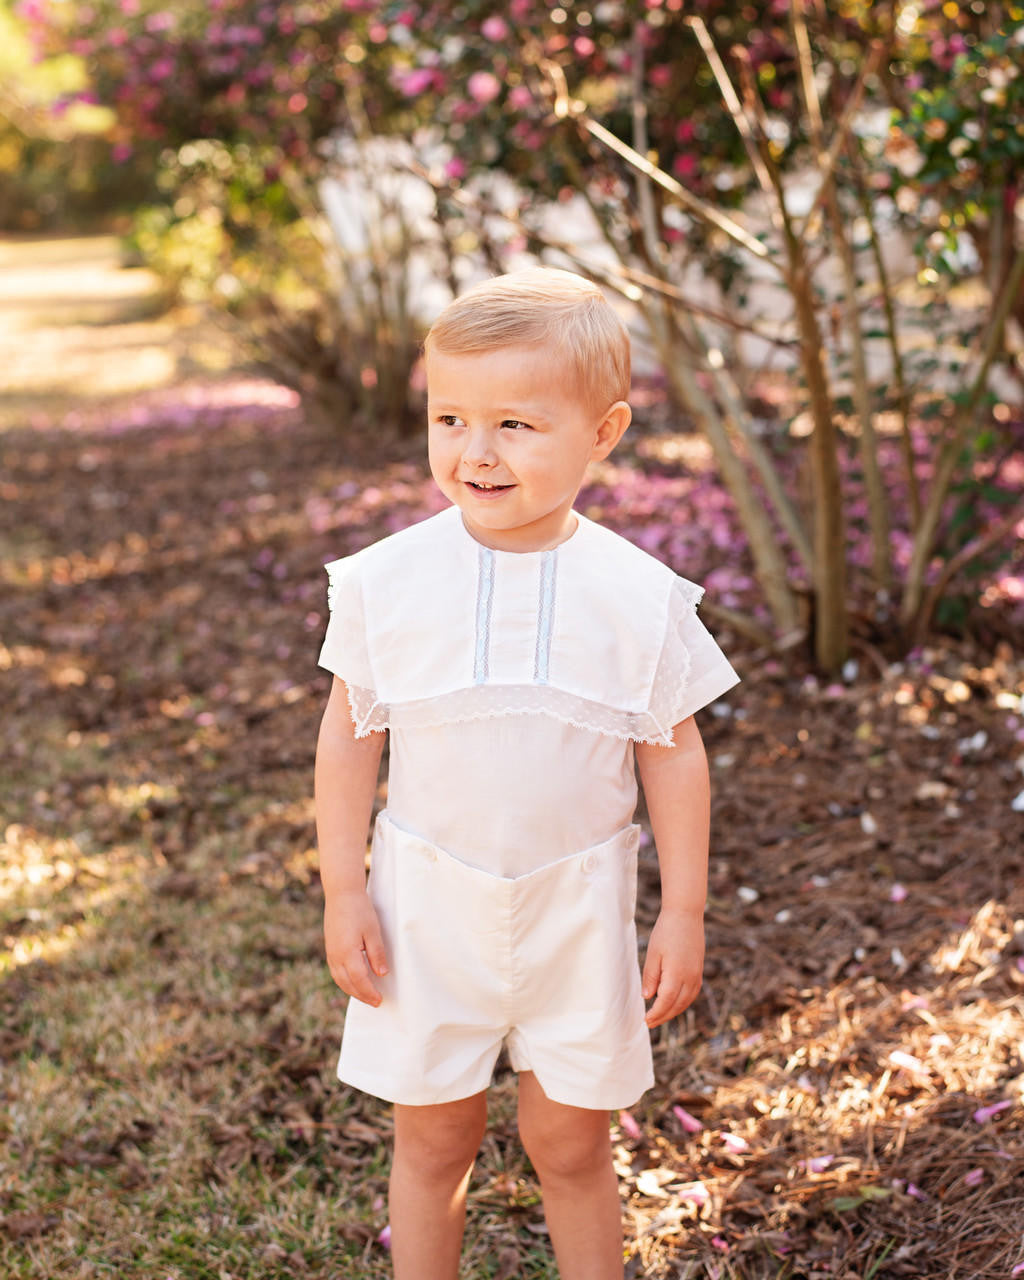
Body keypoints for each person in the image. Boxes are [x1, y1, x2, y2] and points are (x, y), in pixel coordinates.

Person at [314, 266, 739, 1279]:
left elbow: (675, 760)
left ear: (603, 432)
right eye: (450, 416)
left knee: (571, 1141)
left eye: (515, 423)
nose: (476, 450)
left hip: (577, 906)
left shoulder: (635, 595)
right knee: (432, 1140)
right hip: (425, 902)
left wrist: (683, 909)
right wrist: (341, 890)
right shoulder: (388, 581)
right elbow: (349, 739)